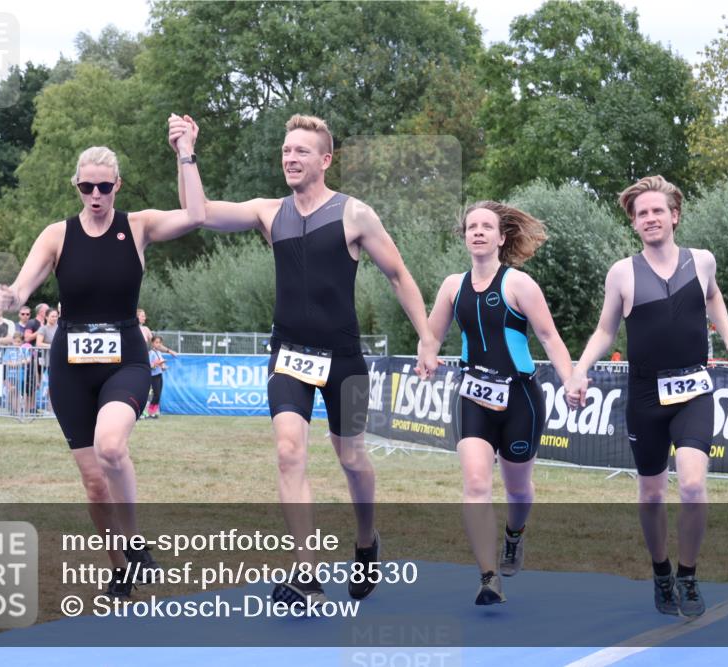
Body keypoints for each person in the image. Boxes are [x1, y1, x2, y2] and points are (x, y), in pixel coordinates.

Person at [174, 113, 439, 607]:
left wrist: (426, 337)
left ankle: (366, 543)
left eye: (300, 151)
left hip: (344, 360)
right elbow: (198, 213)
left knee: (353, 457)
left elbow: (399, 275)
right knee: (289, 450)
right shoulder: (267, 212)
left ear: (325, 159)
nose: (290, 158)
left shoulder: (355, 214)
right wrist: (186, 152)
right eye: (285, 150)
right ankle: (306, 572)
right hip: (288, 354)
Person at [0, 115, 205, 597]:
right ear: (76, 186)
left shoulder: (139, 226)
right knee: (94, 484)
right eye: (86, 186)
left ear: (117, 186)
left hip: (125, 357)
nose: (95, 195)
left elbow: (195, 215)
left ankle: (134, 545)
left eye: (104, 187)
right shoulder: (56, 234)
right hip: (70, 366)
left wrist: (185, 153)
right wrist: (8, 298)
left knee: (111, 447)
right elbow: (23, 288)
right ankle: (121, 567)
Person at [563, 175, 728, 618]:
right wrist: (578, 371)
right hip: (645, 394)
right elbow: (606, 329)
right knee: (650, 494)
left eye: (657, 211)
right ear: (634, 223)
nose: (650, 218)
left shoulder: (702, 261)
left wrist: (727, 338)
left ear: (674, 216)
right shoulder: (622, 272)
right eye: (641, 213)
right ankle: (661, 571)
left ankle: (688, 574)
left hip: (694, 387)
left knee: (690, 484)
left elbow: (714, 297)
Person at [424, 201, 572, 605]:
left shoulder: (519, 285)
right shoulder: (452, 286)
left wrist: (571, 377)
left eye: (486, 227)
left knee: (519, 490)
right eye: (471, 226)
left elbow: (550, 337)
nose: (477, 232)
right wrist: (427, 354)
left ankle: (514, 535)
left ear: (501, 237)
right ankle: (489, 577)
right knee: (475, 483)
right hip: (472, 394)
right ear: (465, 236)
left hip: (520, 397)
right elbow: (432, 334)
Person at [146, 335, 168, 419]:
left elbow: (161, 363)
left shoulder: (159, 353)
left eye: (160, 342)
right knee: (156, 395)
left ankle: (153, 413)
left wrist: (163, 367)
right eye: (156, 342)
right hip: (153, 376)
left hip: (159, 375)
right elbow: (149, 365)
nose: (158, 344)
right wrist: (156, 364)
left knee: (158, 395)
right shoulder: (151, 353)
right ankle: (150, 412)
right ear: (152, 343)